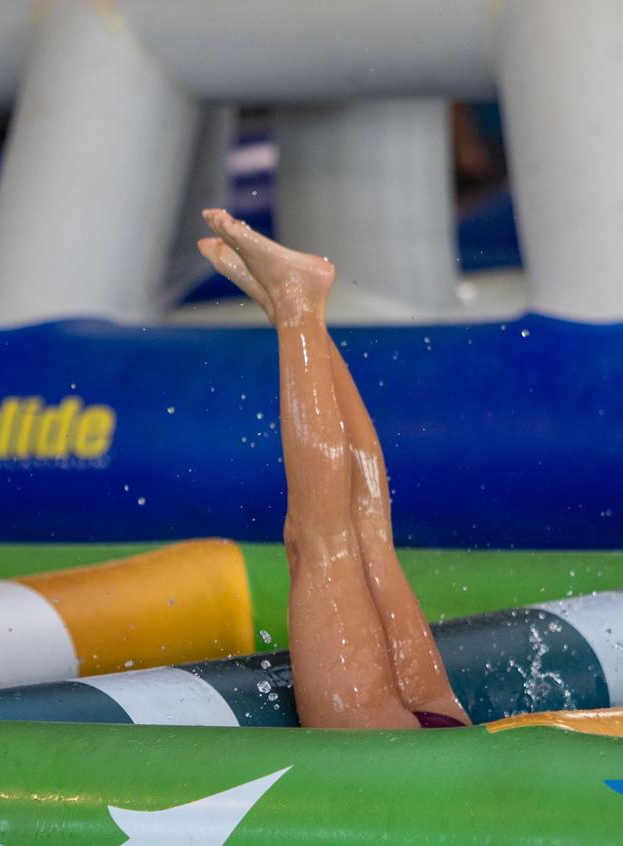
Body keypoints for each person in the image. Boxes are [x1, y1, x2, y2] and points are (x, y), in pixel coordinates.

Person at [198, 209, 471, 731]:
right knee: (325, 542)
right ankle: (296, 308)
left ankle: (294, 312)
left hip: (446, 737)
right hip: (399, 764)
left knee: (365, 536)